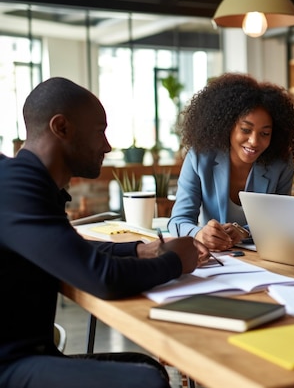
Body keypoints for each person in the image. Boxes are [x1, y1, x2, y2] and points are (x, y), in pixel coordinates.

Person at [0, 77, 206, 388]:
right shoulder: (17, 188)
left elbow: (66, 250)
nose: (107, 146)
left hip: (29, 353)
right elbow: (102, 279)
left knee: (144, 365)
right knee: (146, 381)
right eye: (100, 131)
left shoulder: (29, 183)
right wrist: (177, 261)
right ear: (62, 128)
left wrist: (138, 250)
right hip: (10, 365)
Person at [168, 72, 294, 251]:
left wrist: (244, 232)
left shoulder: (280, 164)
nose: (254, 141)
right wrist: (198, 234)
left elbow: (278, 222)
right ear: (228, 125)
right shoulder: (200, 158)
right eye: (246, 130)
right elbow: (178, 220)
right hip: (216, 259)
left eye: (265, 133)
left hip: (261, 259)